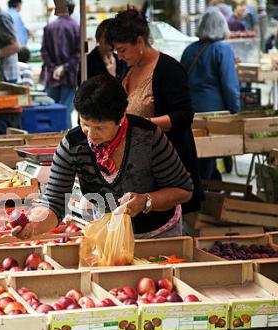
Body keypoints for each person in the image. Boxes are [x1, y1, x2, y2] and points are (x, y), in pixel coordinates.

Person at [13, 75, 193, 241]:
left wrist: (146, 201)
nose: (91, 134)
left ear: (121, 117)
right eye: (85, 124)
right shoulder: (72, 145)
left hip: (159, 235)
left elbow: (183, 190)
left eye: (99, 128)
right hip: (109, 234)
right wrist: (33, 225)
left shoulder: (148, 137)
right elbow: (54, 203)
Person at [107, 9, 202, 215]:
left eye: (123, 50)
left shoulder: (168, 69)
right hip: (138, 165)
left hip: (168, 164)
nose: (120, 56)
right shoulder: (128, 68)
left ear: (140, 42)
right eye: (117, 52)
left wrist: (144, 125)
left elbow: (184, 115)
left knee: (167, 223)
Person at [181, 11, 240, 181]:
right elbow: (230, 85)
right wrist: (235, 111)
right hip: (214, 114)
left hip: (189, 112)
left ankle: (208, 187)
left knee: (198, 155)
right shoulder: (222, 49)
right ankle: (205, 195)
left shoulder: (189, 49)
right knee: (208, 156)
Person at [39, 0, 80, 128]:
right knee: (66, 110)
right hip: (70, 76)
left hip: (52, 76)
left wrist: (53, 68)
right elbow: (79, 53)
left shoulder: (49, 27)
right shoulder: (77, 27)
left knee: (50, 109)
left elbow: (44, 51)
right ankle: (66, 141)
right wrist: (64, 67)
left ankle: (49, 137)